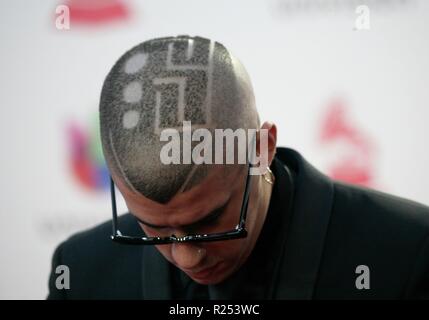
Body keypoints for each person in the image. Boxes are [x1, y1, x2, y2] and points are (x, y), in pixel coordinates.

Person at [48, 35, 429, 299]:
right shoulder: (81, 271)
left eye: (209, 221)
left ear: (261, 150)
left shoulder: (408, 255)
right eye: (154, 227)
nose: (187, 257)